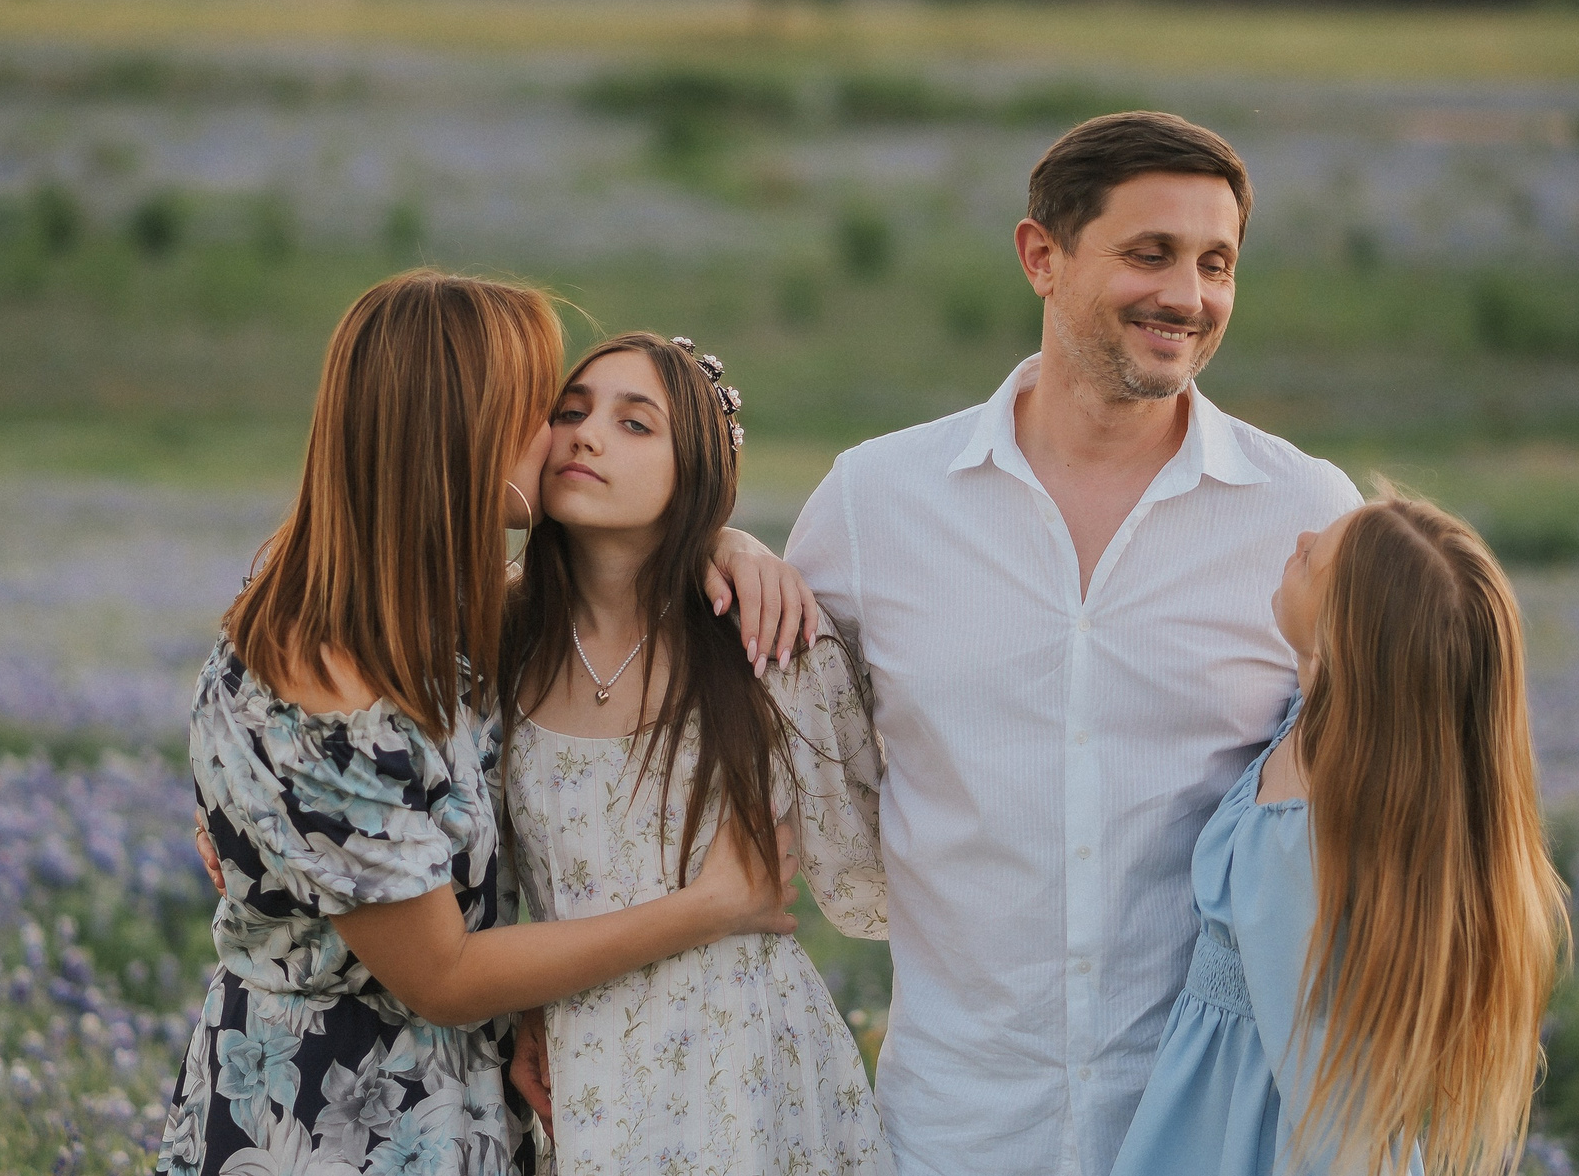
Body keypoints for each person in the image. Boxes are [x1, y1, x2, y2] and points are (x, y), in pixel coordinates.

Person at [784, 112, 1361, 1176]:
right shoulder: (877, 500)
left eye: (1216, 263)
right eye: (1149, 254)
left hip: (1215, 1127)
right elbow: (732, 742)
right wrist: (720, 554)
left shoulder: (1305, 514)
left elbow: (1398, 806)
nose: (1187, 296)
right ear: (1040, 257)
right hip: (951, 1127)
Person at [158, 272, 822, 1176]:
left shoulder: (419, 615)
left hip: (453, 1100)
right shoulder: (337, 681)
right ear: (462, 430)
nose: (567, 436)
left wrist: (710, 538)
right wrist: (709, 906)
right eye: (545, 408)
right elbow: (444, 975)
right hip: (331, 1120)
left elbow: (589, 591)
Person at [496, 333, 889, 1175]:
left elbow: (866, 889)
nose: (587, 436)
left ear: (697, 471)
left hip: (749, 1060)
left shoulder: (767, 638)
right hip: (577, 1061)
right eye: (571, 412)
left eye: (636, 424)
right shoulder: (497, 637)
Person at [1110, 496, 1568, 1176]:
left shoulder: (1296, 831)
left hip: (1248, 1133)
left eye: (1311, 557)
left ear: (1340, 640)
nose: (1297, 538)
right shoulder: (1342, 743)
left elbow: (1322, 1073)